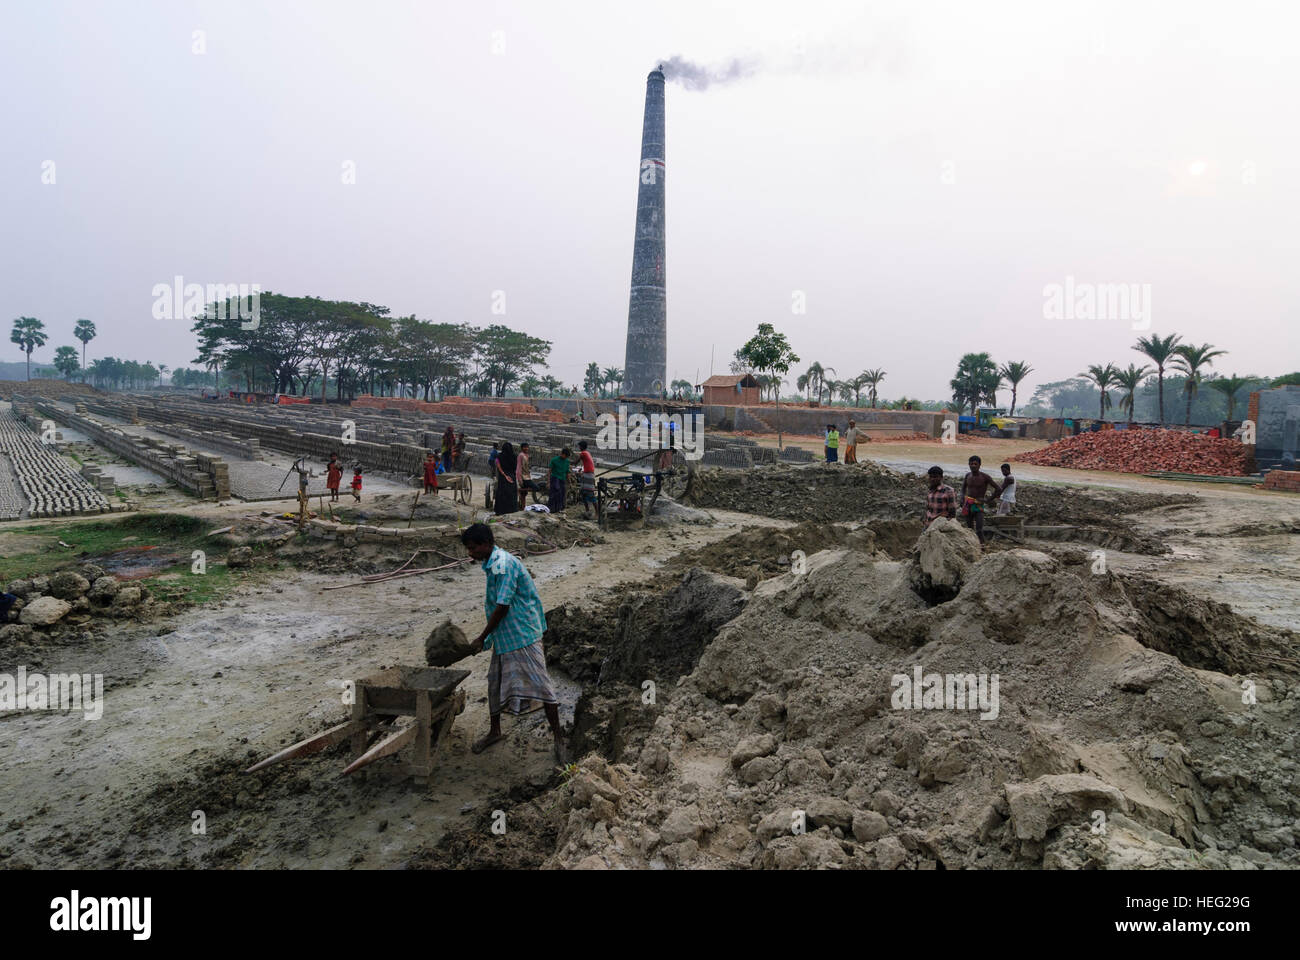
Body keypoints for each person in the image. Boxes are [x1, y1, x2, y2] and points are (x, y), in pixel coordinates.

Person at [461, 523, 566, 765]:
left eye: (472, 548)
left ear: (486, 544)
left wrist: (480, 637)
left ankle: (558, 738)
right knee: (495, 683)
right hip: (505, 634)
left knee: (543, 685)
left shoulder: (501, 564)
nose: (470, 553)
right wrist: (488, 637)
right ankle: (495, 731)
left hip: (522, 633)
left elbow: (503, 605)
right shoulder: (492, 563)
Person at [960, 455, 1002, 544]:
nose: (973, 466)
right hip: (968, 503)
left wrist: (988, 500)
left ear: (979, 465)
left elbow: (998, 489)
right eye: (971, 464)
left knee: (979, 529)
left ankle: (982, 547)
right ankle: (971, 546)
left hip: (978, 504)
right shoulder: (968, 475)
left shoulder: (985, 477)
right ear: (968, 465)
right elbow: (963, 488)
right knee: (969, 529)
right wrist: (962, 498)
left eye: (975, 464)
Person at [494, 442, 519, 514]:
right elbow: (516, 467)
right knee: (512, 495)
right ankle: (511, 510)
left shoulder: (499, 456)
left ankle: (500, 510)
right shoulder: (514, 456)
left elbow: (498, 465)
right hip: (512, 476)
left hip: (503, 477)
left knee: (502, 494)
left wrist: (504, 474)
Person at [577, 439, 596, 519]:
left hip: (588, 475)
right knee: (583, 493)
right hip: (588, 474)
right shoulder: (587, 453)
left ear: (581, 447)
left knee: (590, 494)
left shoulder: (583, 453)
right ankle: (587, 510)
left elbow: (575, 462)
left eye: (579, 446)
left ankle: (597, 512)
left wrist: (567, 462)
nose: (579, 448)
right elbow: (586, 464)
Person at [548, 446, 572, 513]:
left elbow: (567, 473)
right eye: (565, 456)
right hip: (555, 478)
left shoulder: (567, 462)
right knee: (555, 493)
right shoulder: (554, 460)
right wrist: (548, 481)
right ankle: (552, 509)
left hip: (562, 479)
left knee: (562, 494)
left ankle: (559, 509)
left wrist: (569, 482)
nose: (566, 457)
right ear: (562, 454)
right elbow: (549, 471)